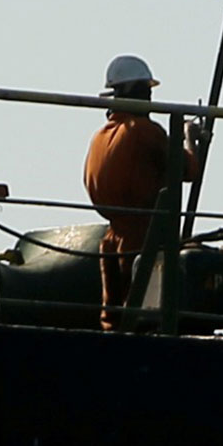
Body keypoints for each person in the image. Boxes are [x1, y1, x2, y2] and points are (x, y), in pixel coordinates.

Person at [83, 55, 195, 330]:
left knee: (113, 319)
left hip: (111, 238)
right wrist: (191, 138)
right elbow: (189, 170)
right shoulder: (145, 131)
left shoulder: (99, 137)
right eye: (146, 92)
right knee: (146, 318)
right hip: (144, 238)